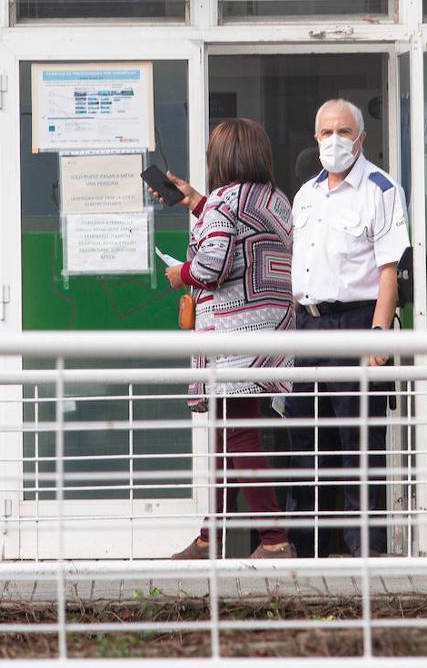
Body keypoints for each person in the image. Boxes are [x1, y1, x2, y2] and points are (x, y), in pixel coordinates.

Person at [152, 118, 297, 560]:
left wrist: (180, 273)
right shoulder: (277, 200)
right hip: (271, 334)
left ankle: (273, 541)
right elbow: (237, 235)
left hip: (232, 338)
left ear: (220, 159)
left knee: (238, 436)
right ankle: (208, 538)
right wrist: (196, 201)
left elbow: (210, 267)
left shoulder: (223, 202)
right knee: (229, 435)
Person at [285, 98, 410, 558]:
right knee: (306, 442)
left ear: (361, 138)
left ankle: (366, 556)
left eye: (343, 132)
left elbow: (388, 271)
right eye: (325, 133)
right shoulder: (307, 194)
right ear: (315, 138)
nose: (334, 141)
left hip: (357, 324)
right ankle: (304, 552)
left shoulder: (381, 189)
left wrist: (379, 335)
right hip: (308, 326)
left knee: (360, 445)